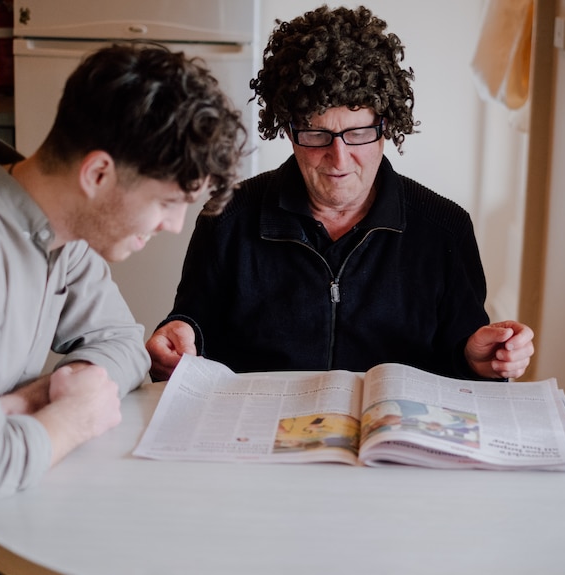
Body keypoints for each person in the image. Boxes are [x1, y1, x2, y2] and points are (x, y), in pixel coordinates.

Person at [0, 42, 246, 571]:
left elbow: (125, 342)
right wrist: (73, 415)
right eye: (167, 202)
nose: (173, 225)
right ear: (98, 174)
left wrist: (35, 397)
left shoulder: (60, 230)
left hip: (2, 502)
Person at [146, 5, 533, 383]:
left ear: (387, 125)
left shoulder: (445, 229)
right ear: (289, 131)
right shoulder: (227, 218)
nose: (339, 157)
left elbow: (463, 362)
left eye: (359, 133)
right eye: (316, 134)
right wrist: (177, 337)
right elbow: (193, 327)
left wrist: (479, 360)